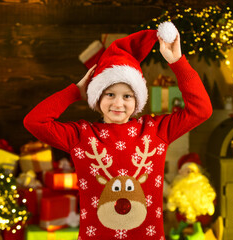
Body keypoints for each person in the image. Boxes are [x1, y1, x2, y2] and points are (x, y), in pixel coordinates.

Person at [24, 21, 212, 239]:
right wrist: (75, 91)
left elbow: (202, 110)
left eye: (127, 96)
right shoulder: (81, 136)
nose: (118, 103)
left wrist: (178, 63)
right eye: (109, 94)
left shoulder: (156, 131)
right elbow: (34, 122)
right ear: (96, 96)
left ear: (138, 99)